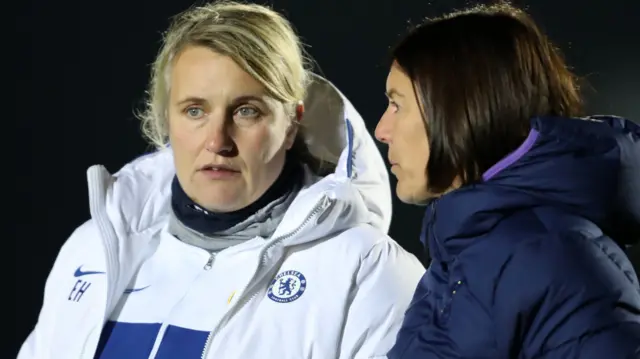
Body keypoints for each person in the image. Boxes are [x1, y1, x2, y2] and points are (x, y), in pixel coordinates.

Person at [18, 2, 425, 358]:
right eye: (195, 111)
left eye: (246, 111)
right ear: (167, 120)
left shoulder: (367, 272)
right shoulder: (94, 251)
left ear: (291, 123)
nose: (217, 141)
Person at [375, 3, 640, 359]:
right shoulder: (469, 252)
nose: (382, 130)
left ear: (458, 108)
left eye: (397, 105)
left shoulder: (552, 259)